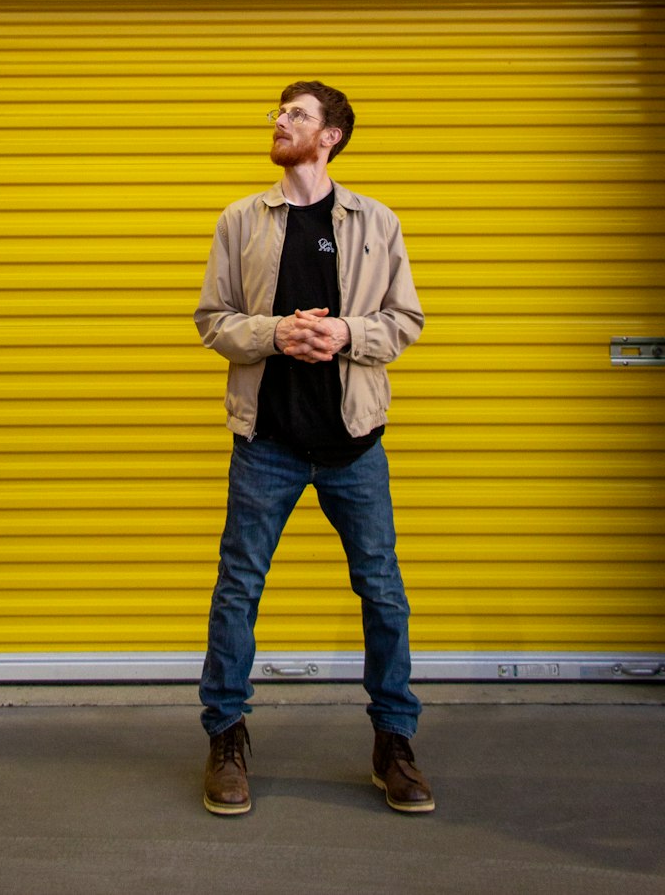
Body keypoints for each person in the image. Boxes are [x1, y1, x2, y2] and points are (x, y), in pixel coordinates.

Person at [193, 80, 434, 816]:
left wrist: (347, 336)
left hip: (354, 445)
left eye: (295, 113)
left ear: (330, 135)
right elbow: (212, 320)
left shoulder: (375, 221)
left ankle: (394, 741)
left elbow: (406, 320)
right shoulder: (242, 220)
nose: (279, 121)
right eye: (279, 111)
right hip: (266, 442)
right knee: (238, 591)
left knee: (384, 594)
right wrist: (275, 333)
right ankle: (226, 737)